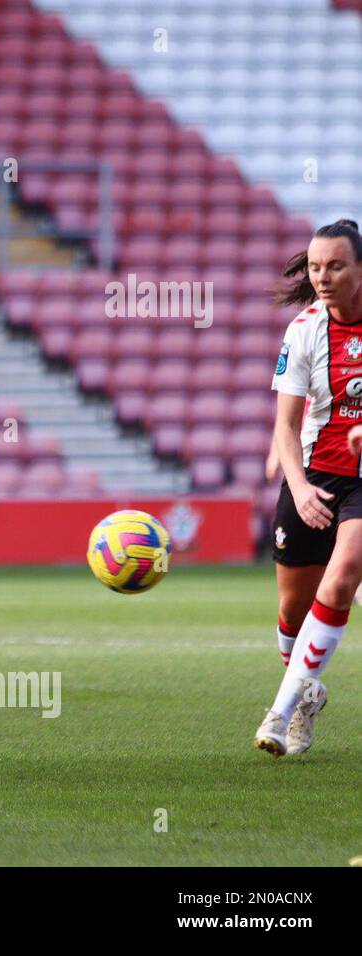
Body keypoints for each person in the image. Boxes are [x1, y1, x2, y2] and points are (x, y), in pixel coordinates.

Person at [257, 218, 362, 756]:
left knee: (343, 574)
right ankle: (308, 694)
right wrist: (297, 488)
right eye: (316, 266)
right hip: (314, 478)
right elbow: (286, 427)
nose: (322, 276)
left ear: (359, 269)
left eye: (335, 266)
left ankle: (280, 709)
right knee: (292, 611)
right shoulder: (303, 329)